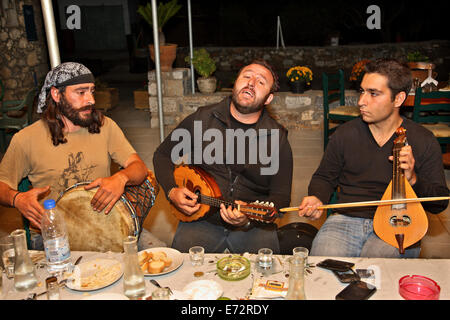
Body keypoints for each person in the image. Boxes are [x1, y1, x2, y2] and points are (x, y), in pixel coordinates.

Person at [298, 59, 449, 258]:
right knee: (322, 267)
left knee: (375, 272)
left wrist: (413, 179)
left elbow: (439, 202)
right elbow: (324, 177)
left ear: (398, 99)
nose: (361, 101)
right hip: (346, 219)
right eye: (362, 91)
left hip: (397, 220)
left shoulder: (424, 140)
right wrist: (317, 196)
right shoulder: (345, 134)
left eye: (374, 94)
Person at [0, 62, 150, 249]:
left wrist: (121, 177)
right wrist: (17, 198)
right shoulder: (26, 139)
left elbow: (139, 168)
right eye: (81, 92)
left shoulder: (105, 126)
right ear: (56, 94)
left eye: (91, 91)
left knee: (160, 253)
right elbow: (2, 185)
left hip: (105, 226)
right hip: (53, 236)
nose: (91, 100)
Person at [153, 60, 293, 253]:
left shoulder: (277, 138)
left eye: (261, 82)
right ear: (235, 83)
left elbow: (281, 196)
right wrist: (171, 191)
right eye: (246, 76)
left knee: (267, 280)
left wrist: (248, 217)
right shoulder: (202, 119)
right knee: (181, 277)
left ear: (269, 98)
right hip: (200, 217)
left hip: (253, 225)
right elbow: (162, 155)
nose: (251, 82)